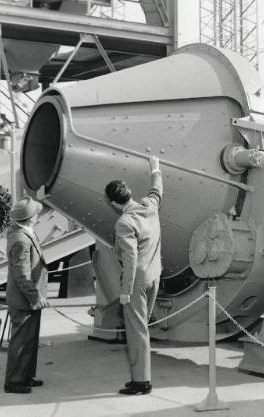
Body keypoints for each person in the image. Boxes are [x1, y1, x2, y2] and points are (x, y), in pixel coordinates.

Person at [104, 156, 163, 395]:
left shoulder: (124, 222)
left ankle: (141, 382)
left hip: (136, 281)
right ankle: (140, 376)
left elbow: (130, 259)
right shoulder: (150, 206)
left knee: (137, 331)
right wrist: (155, 169)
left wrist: (125, 291)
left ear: (115, 204)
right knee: (143, 329)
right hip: (154, 276)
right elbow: (157, 190)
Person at [4, 196, 49, 394]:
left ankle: (26, 376)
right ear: (30, 218)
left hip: (28, 299)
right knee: (21, 343)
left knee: (29, 341)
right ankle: (14, 382)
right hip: (24, 300)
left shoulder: (23, 233)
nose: (38, 215)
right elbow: (22, 275)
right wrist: (35, 296)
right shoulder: (21, 240)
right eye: (36, 213)